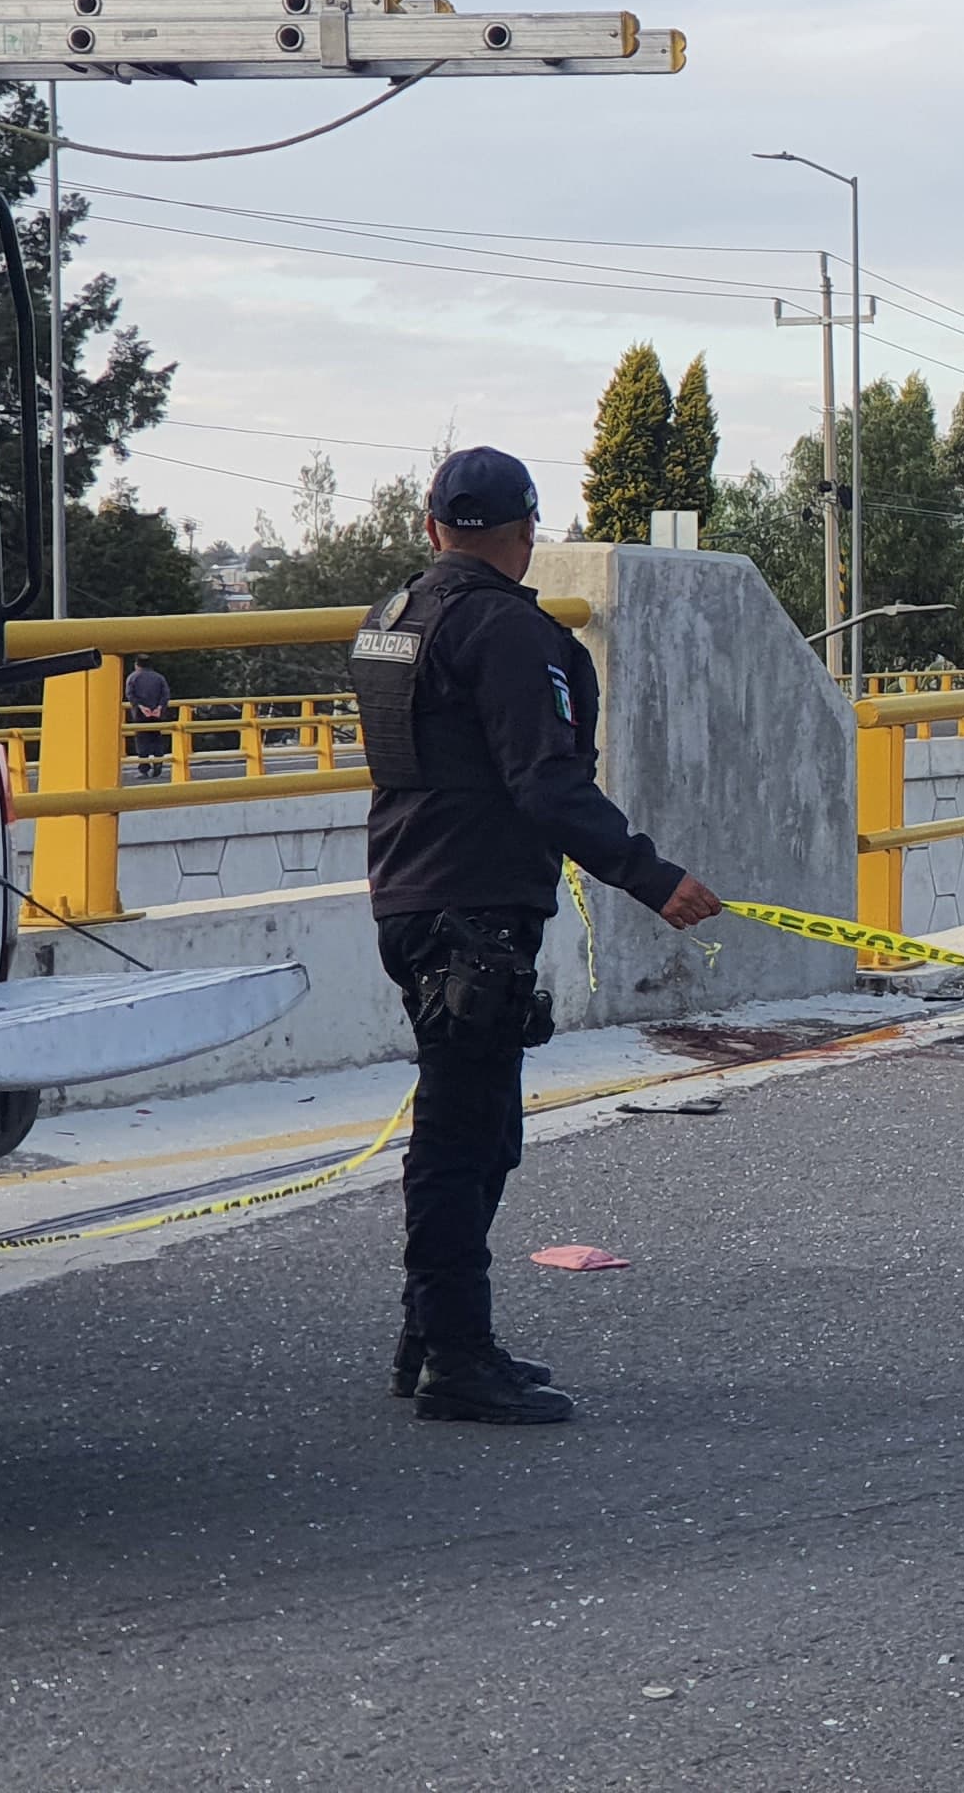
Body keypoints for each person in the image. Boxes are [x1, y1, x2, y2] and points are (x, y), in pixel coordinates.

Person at [353, 447, 721, 1425]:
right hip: (475, 905)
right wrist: (652, 877)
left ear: (432, 527)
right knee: (466, 1136)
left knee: (473, 1128)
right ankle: (456, 1357)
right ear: (526, 534)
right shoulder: (511, 632)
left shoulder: (390, 622)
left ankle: (430, 1335)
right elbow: (545, 781)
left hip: (409, 891)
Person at [123, 657, 173, 782]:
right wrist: (159, 707)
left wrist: (141, 706)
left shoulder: (133, 677)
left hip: (140, 714)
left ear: (137, 664)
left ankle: (144, 768)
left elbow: (130, 694)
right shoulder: (159, 677)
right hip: (157, 713)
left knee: (141, 740)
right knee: (156, 738)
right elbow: (166, 694)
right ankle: (158, 763)